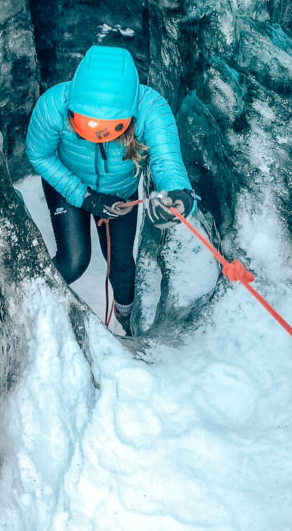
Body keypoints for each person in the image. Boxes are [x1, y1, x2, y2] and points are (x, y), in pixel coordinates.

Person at [25, 45, 196, 336]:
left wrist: (177, 194)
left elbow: (166, 160)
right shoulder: (54, 105)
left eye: (107, 125)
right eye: (86, 122)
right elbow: (40, 155)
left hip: (121, 194)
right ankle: (30, 305)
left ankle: (130, 327)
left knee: (122, 267)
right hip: (67, 183)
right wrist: (86, 196)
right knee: (74, 261)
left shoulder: (150, 109)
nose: (95, 131)